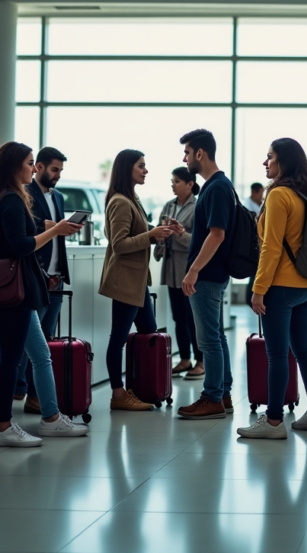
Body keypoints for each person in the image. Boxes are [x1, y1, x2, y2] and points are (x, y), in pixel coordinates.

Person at [0, 141, 87, 447]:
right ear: (13, 166)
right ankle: (5, 426)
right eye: (28, 162)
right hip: (14, 291)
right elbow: (21, 245)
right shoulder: (11, 199)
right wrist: (55, 231)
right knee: (10, 358)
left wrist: (48, 227)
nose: (32, 167)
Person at [240, 138, 307, 439]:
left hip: (282, 287)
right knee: (303, 349)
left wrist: (258, 287)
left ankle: (274, 421)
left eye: (270, 158)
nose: (265, 163)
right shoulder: (305, 195)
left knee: (277, 355)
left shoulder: (279, 195)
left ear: (284, 162)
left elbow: (271, 248)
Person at [98, 149, 174, 411]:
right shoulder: (120, 201)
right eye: (141, 166)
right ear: (127, 169)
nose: (146, 170)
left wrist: (157, 232)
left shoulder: (132, 198)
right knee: (118, 338)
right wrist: (150, 235)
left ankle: (142, 387)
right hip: (126, 281)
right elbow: (119, 245)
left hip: (138, 282)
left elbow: (136, 236)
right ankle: (118, 395)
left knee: (149, 334)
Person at [176, 129, 236, 420]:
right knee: (216, 337)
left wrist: (194, 270)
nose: (184, 158)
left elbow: (217, 234)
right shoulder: (218, 186)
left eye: (187, 152)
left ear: (200, 153)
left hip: (208, 275)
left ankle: (212, 397)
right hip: (213, 274)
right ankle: (222, 393)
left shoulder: (216, 188)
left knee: (209, 340)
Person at [15, 146, 73, 414]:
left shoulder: (59, 197)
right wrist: (53, 228)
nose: (58, 175)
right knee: (28, 343)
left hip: (56, 278)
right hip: (36, 276)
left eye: (60, 170)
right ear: (38, 167)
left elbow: (56, 234)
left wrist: (65, 229)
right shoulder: (24, 194)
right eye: (54, 169)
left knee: (46, 339)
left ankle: (35, 397)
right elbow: (28, 232)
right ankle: (20, 389)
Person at [154, 167, 204, 380]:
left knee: (193, 318)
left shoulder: (198, 206)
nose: (172, 185)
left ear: (189, 184)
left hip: (188, 269)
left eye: (176, 181)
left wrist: (181, 233)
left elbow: (200, 241)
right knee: (178, 317)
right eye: (172, 181)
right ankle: (185, 358)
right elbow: (158, 231)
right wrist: (161, 235)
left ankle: (200, 361)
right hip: (171, 269)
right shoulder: (169, 205)